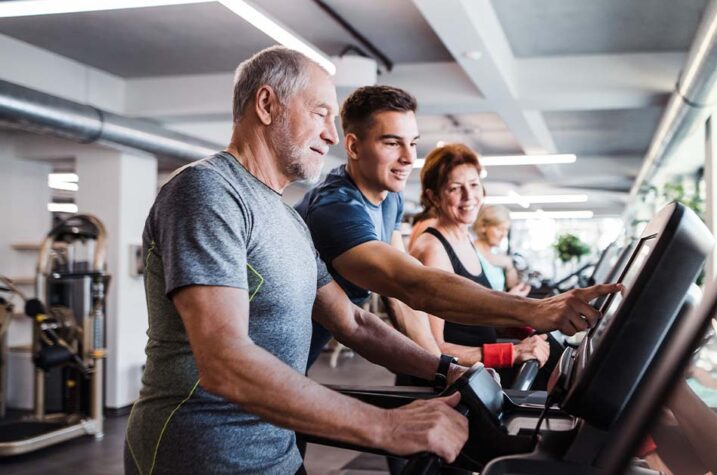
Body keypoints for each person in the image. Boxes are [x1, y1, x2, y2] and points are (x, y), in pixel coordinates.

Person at [125, 46, 469, 475]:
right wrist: (387, 427)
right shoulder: (207, 191)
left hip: (280, 449)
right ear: (267, 104)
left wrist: (447, 371)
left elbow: (353, 322)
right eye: (320, 112)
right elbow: (223, 361)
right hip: (202, 454)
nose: (331, 135)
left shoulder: (289, 217)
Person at [296, 85, 620, 367]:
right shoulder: (337, 209)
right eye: (393, 143)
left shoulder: (388, 198)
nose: (409, 157)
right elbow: (413, 285)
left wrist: (443, 373)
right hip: (266, 355)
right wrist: (533, 311)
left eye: (413, 142)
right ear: (353, 147)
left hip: (297, 357)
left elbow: (398, 298)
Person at [409, 144, 549, 375]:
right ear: (433, 197)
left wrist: (525, 320)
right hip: (449, 383)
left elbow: (468, 319)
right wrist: (511, 352)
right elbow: (434, 349)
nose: (469, 196)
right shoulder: (434, 249)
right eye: (455, 188)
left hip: (478, 372)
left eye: (474, 185)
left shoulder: (465, 239)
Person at [473, 204, 530, 296]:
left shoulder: (496, 252)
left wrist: (509, 266)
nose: (504, 234)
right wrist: (509, 298)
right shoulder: (471, 252)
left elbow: (511, 286)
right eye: (500, 229)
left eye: (506, 229)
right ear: (484, 227)